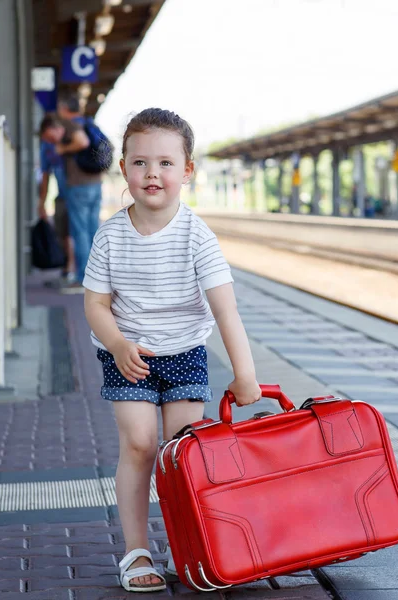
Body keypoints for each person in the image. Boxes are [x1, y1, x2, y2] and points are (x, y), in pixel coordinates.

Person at [82, 108, 262, 592]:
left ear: (186, 171)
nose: (152, 174)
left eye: (165, 163)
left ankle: (193, 547)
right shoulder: (111, 235)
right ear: (124, 169)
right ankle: (137, 551)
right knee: (140, 444)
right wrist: (118, 344)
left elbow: (226, 311)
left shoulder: (197, 236)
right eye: (140, 163)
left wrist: (244, 374)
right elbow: (96, 304)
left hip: (184, 352)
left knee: (183, 453)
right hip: (127, 355)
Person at [40, 97, 103, 289]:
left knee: (80, 232)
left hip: (78, 186)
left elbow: (82, 142)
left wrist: (62, 148)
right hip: (95, 183)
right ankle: (98, 277)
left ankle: (84, 277)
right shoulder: (87, 123)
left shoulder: (70, 126)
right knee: (92, 231)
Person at [38, 126, 76, 284]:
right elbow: (45, 176)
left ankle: (73, 269)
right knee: (65, 234)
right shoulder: (47, 147)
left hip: (75, 193)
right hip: (62, 195)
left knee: (75, 234)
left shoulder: (71, 138)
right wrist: (42, 203)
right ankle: (69, 268)